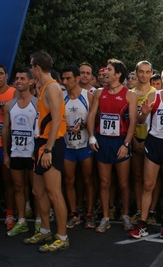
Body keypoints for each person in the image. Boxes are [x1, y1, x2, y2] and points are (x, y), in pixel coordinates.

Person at [129, 66, 163, 239]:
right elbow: (140, 120)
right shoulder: (154, 96)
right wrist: (143, 114)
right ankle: (142, 222)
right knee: (147, 185)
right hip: (154, 142)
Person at [23, 51, 69, 252]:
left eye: (31, 66)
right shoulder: (43, 88)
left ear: (37, 68)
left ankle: (62, 236)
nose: (30, 69)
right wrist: (39, 147)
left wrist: (48, 149)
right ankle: (44, 230)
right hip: (41, 143)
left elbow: (57, 120)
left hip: (52, 144)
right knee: (38, 191)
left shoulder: (52, 87)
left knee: (54, 192)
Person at [87, 58, 138, 233]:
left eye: (108, 70)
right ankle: (105, 217)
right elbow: (92, 115)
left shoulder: (129, 94)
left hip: (120, 140)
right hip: (102, 140)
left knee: (123, 184)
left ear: (118, 74)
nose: (105, 73)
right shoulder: (99, 92)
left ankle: (124, 215)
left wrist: (126, 144)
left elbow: (132, 122)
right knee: (104, 182)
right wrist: (92, 137)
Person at [1, 67, 37, 236]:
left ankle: (39, 221)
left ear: (31, 81)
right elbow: (5, 130)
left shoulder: (38, 103)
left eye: (23, 78)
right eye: (17, 78)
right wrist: (5, 154)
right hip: (16, 153)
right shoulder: (9, 105)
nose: (19, 81)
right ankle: (21, 221)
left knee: (37, 190)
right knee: (18, 187)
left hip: (32, 153)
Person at [61, 65, 95, 229]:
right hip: (68, 145)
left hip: (84, 144)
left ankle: (89, 213)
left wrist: (84, 124)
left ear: (76, 79)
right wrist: (64, 126)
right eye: (63, 78)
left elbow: (95, 118)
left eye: (68, 78)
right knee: (69, 180)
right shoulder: (61, 96)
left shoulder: (87, 95)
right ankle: (73, 213)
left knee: (88, 179)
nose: (65, 81)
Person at [129, 61, 158, 225]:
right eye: (141, 71)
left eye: (147, 72)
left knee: (152, 179)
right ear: (136, 72)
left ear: (151, 73)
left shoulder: (156, 93)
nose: (144, 75)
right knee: (137, 177)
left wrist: (147, 141)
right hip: (134, 139)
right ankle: (140, 210)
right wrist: (133, 140)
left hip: (151, 140)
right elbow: (128, 120)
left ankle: (151, 210)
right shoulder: (130, 93)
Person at [0, 62, 16, 229]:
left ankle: (9, 213)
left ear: (6, 75)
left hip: (7, 144)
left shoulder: (13, 92)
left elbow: (19, 114)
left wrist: (1, 105)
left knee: (8, 181)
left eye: (1, 73)